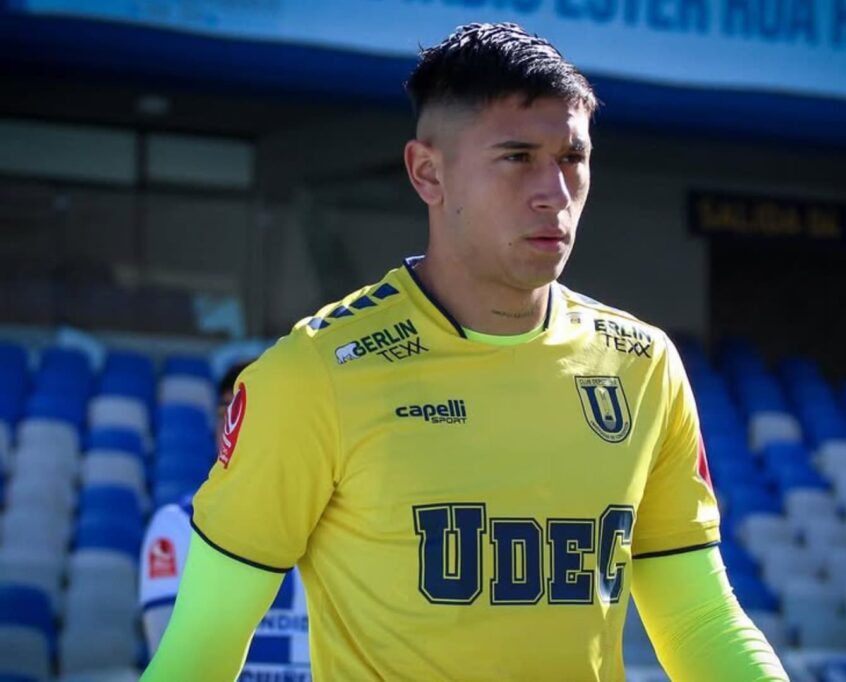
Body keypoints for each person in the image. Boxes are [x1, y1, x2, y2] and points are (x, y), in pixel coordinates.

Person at [143, 22, 788, 680]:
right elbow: (200, 651)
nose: (555, 193)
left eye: (572, 158)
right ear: (428, 173)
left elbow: (700, 621)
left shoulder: (643, 365)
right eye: (517, 157)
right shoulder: (312, 376)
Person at [139, 362, 311, 680]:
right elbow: (170, 659)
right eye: (227, 415)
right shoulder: (177, 525)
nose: (236, 427)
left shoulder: (333, 524)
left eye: (254, 414)